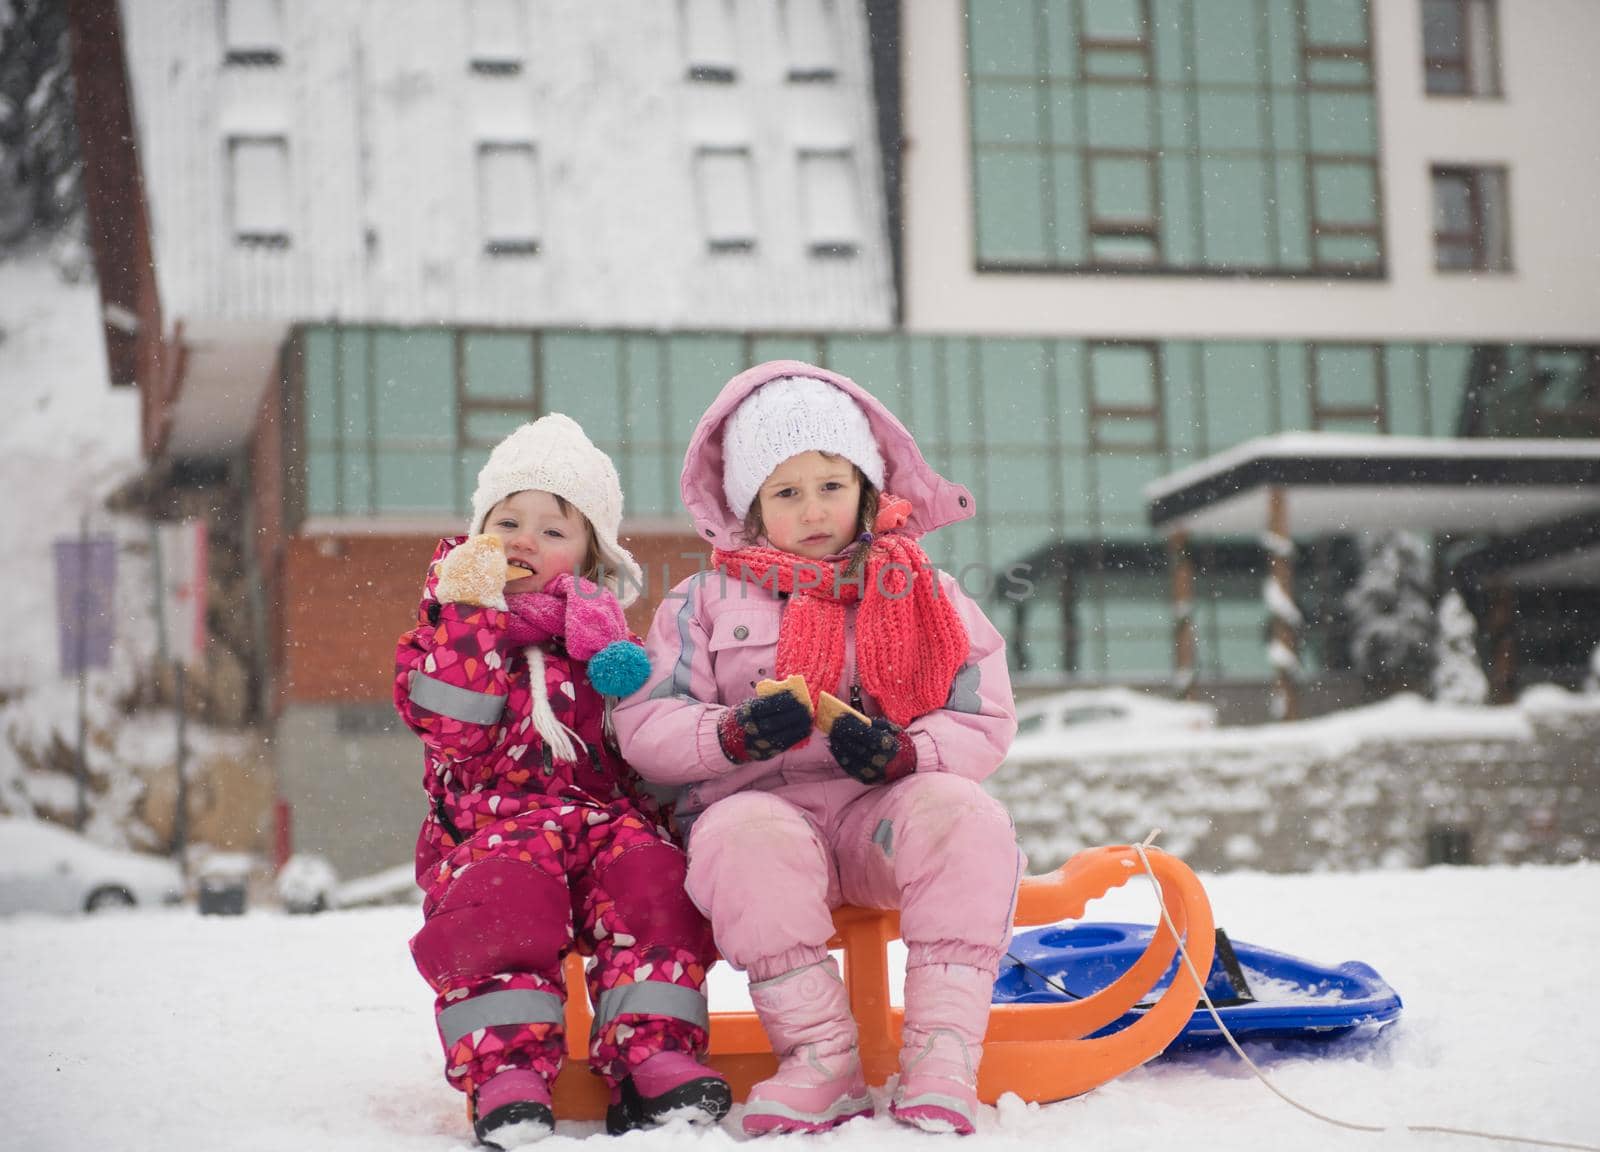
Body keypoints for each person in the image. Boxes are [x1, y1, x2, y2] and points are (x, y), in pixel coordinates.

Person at [614, 363, 1023, 1136]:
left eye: (831, 485)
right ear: (750, 508)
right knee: (738, 838)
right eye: (786, 492)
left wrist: (906, 756)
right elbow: (646, 721)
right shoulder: (702, 601)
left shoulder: (925, 590)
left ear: (867, 489)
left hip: (883, 817)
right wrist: (729, 735)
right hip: (769, 815)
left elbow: (984, 711)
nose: (813, 510)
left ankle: (943, 1052)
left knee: (964, 816)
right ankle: (819, 1057)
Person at [395, 414, 729, 1148]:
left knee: (654, 881)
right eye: (508, 520)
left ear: (589, 555)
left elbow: (640, 748)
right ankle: (505, 1069)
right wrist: (468, 615)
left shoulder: (610, 647)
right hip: (492, 828)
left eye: (554, 529)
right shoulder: (447, 630)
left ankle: (656, 1054)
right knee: (503, 902)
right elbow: (454, 726)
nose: (524, 540)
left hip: (600, 823)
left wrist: (672, 822)